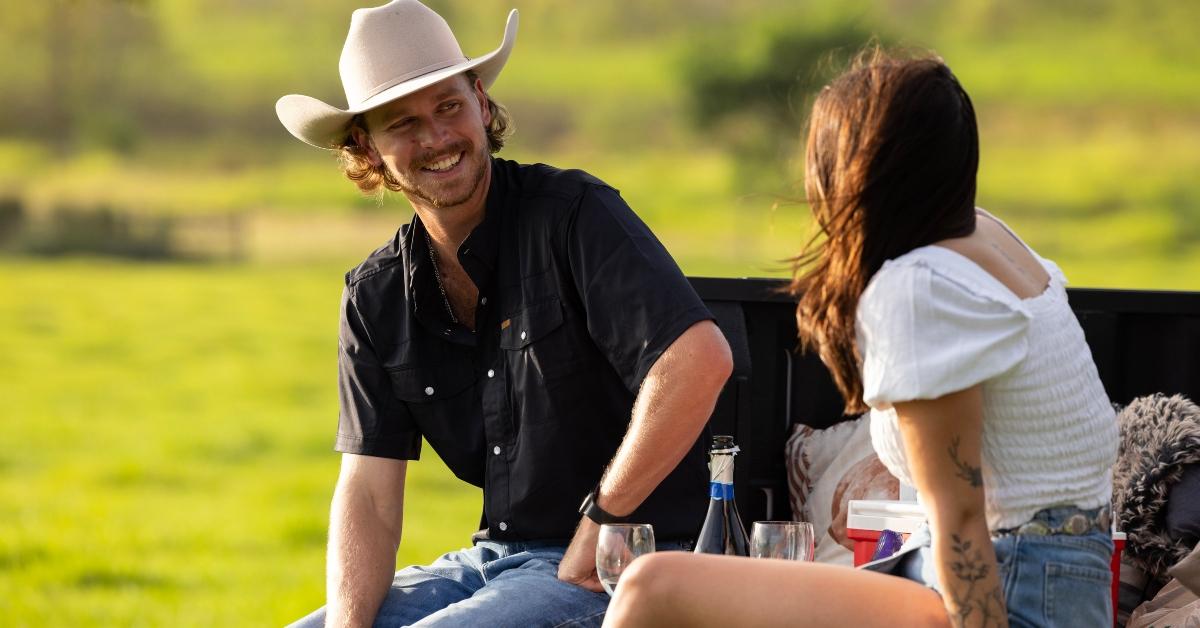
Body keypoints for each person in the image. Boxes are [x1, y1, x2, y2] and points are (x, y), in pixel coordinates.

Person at [604, 49, 1118, 628]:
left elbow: (962, 520)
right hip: (1059, 574)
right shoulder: (989, 237)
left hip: (1010, 593)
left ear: (862, 169)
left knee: (651, 585)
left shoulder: (919, 288)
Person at [274, 1, 733, 626]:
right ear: (367, 148)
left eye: (448, 106)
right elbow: (370, 496)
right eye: (403, 123)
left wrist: (600, 520)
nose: (436, 138)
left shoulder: (574, 214)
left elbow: (698, 359)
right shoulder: (374, 296)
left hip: (630, 557)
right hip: (495, 559)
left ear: (481, 103)